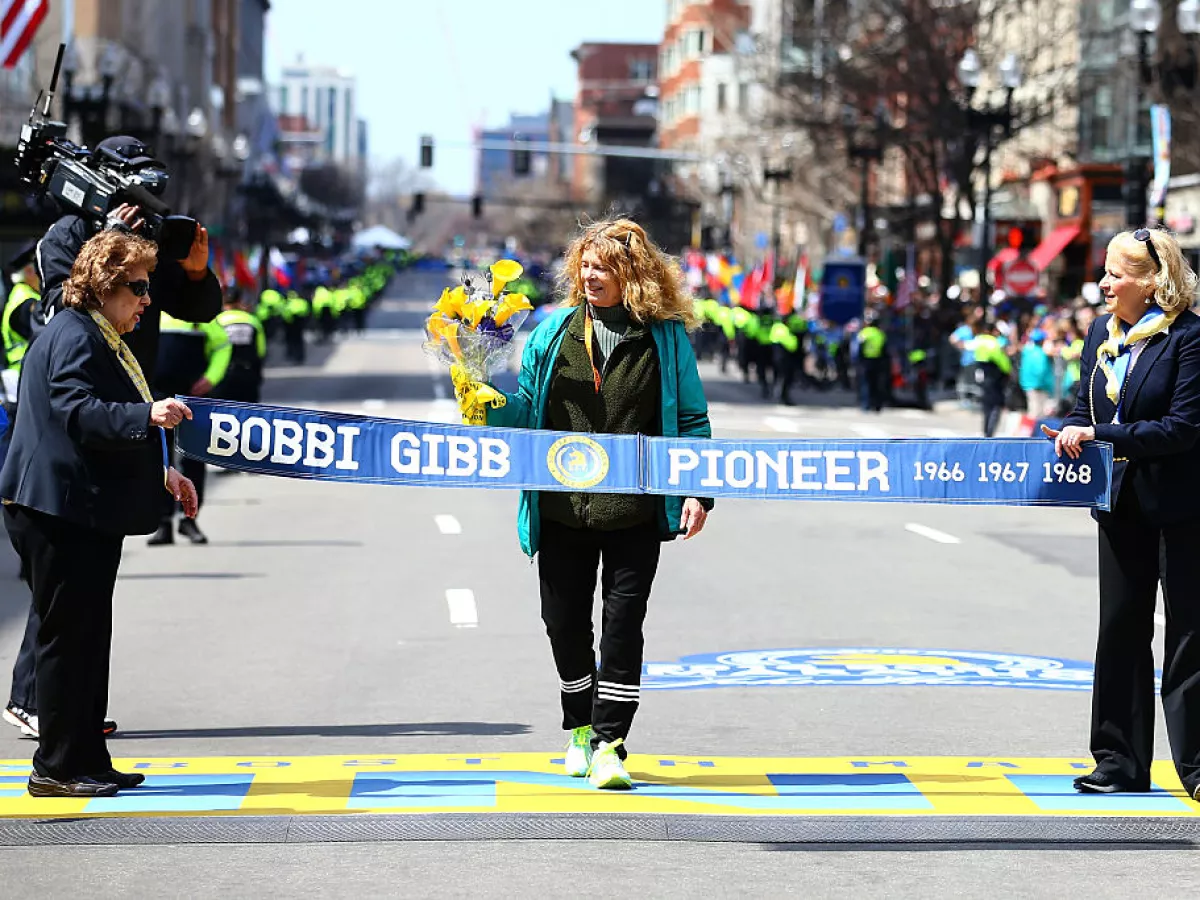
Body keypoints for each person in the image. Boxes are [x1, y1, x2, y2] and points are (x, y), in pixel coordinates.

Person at [3, 134, 222, 739]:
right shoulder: (68, 237)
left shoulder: (149, 244)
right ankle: (39, 706)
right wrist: (104, 236)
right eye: (136, 288)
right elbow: (61, 314)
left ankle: (72, 715)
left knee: (88, 588)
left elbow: (199, 307)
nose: (144, 299)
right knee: (63, 585)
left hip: (126, 406)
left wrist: (195, 270)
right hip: (68, 425)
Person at [485, 218, 713, 790]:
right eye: (585, 265)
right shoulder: (552, 332)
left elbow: (691, 418)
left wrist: (697, 489)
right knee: (562, 623)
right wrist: (483, 402)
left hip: (635, 510)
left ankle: (611, 744)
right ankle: (579, 728)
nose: (590, 275)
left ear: (631, 274)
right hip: (562, 509)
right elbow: (526, 411)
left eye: (603, 266)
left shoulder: (664, 339)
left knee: (622, 625)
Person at [0, 231, 198, 796]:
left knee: (89, 637)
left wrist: (164, 472)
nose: (146, 299)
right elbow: (78, 410)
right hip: (56, 509)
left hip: (81, 509)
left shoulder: (98, 333)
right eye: (137, 287)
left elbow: (101, 417)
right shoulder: (76, 334)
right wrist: (148, 415)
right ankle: (56, 767)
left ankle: (87, 756)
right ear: (106, 284)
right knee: (67, 640)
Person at [1042, 228, 1200, 799]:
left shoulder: (1189, 339)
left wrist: (1101, 432)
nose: (1104, 283)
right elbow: (1084, 406)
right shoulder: (1100, 336)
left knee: (1189, 636)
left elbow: (1182, 429)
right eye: (1104, 272)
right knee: (1120, 631)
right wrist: (1063, 427)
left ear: (1154, 281)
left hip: (1184, 508)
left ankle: (1198, 768)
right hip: (1120, 504)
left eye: (1117, 273)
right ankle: (1119, 762)